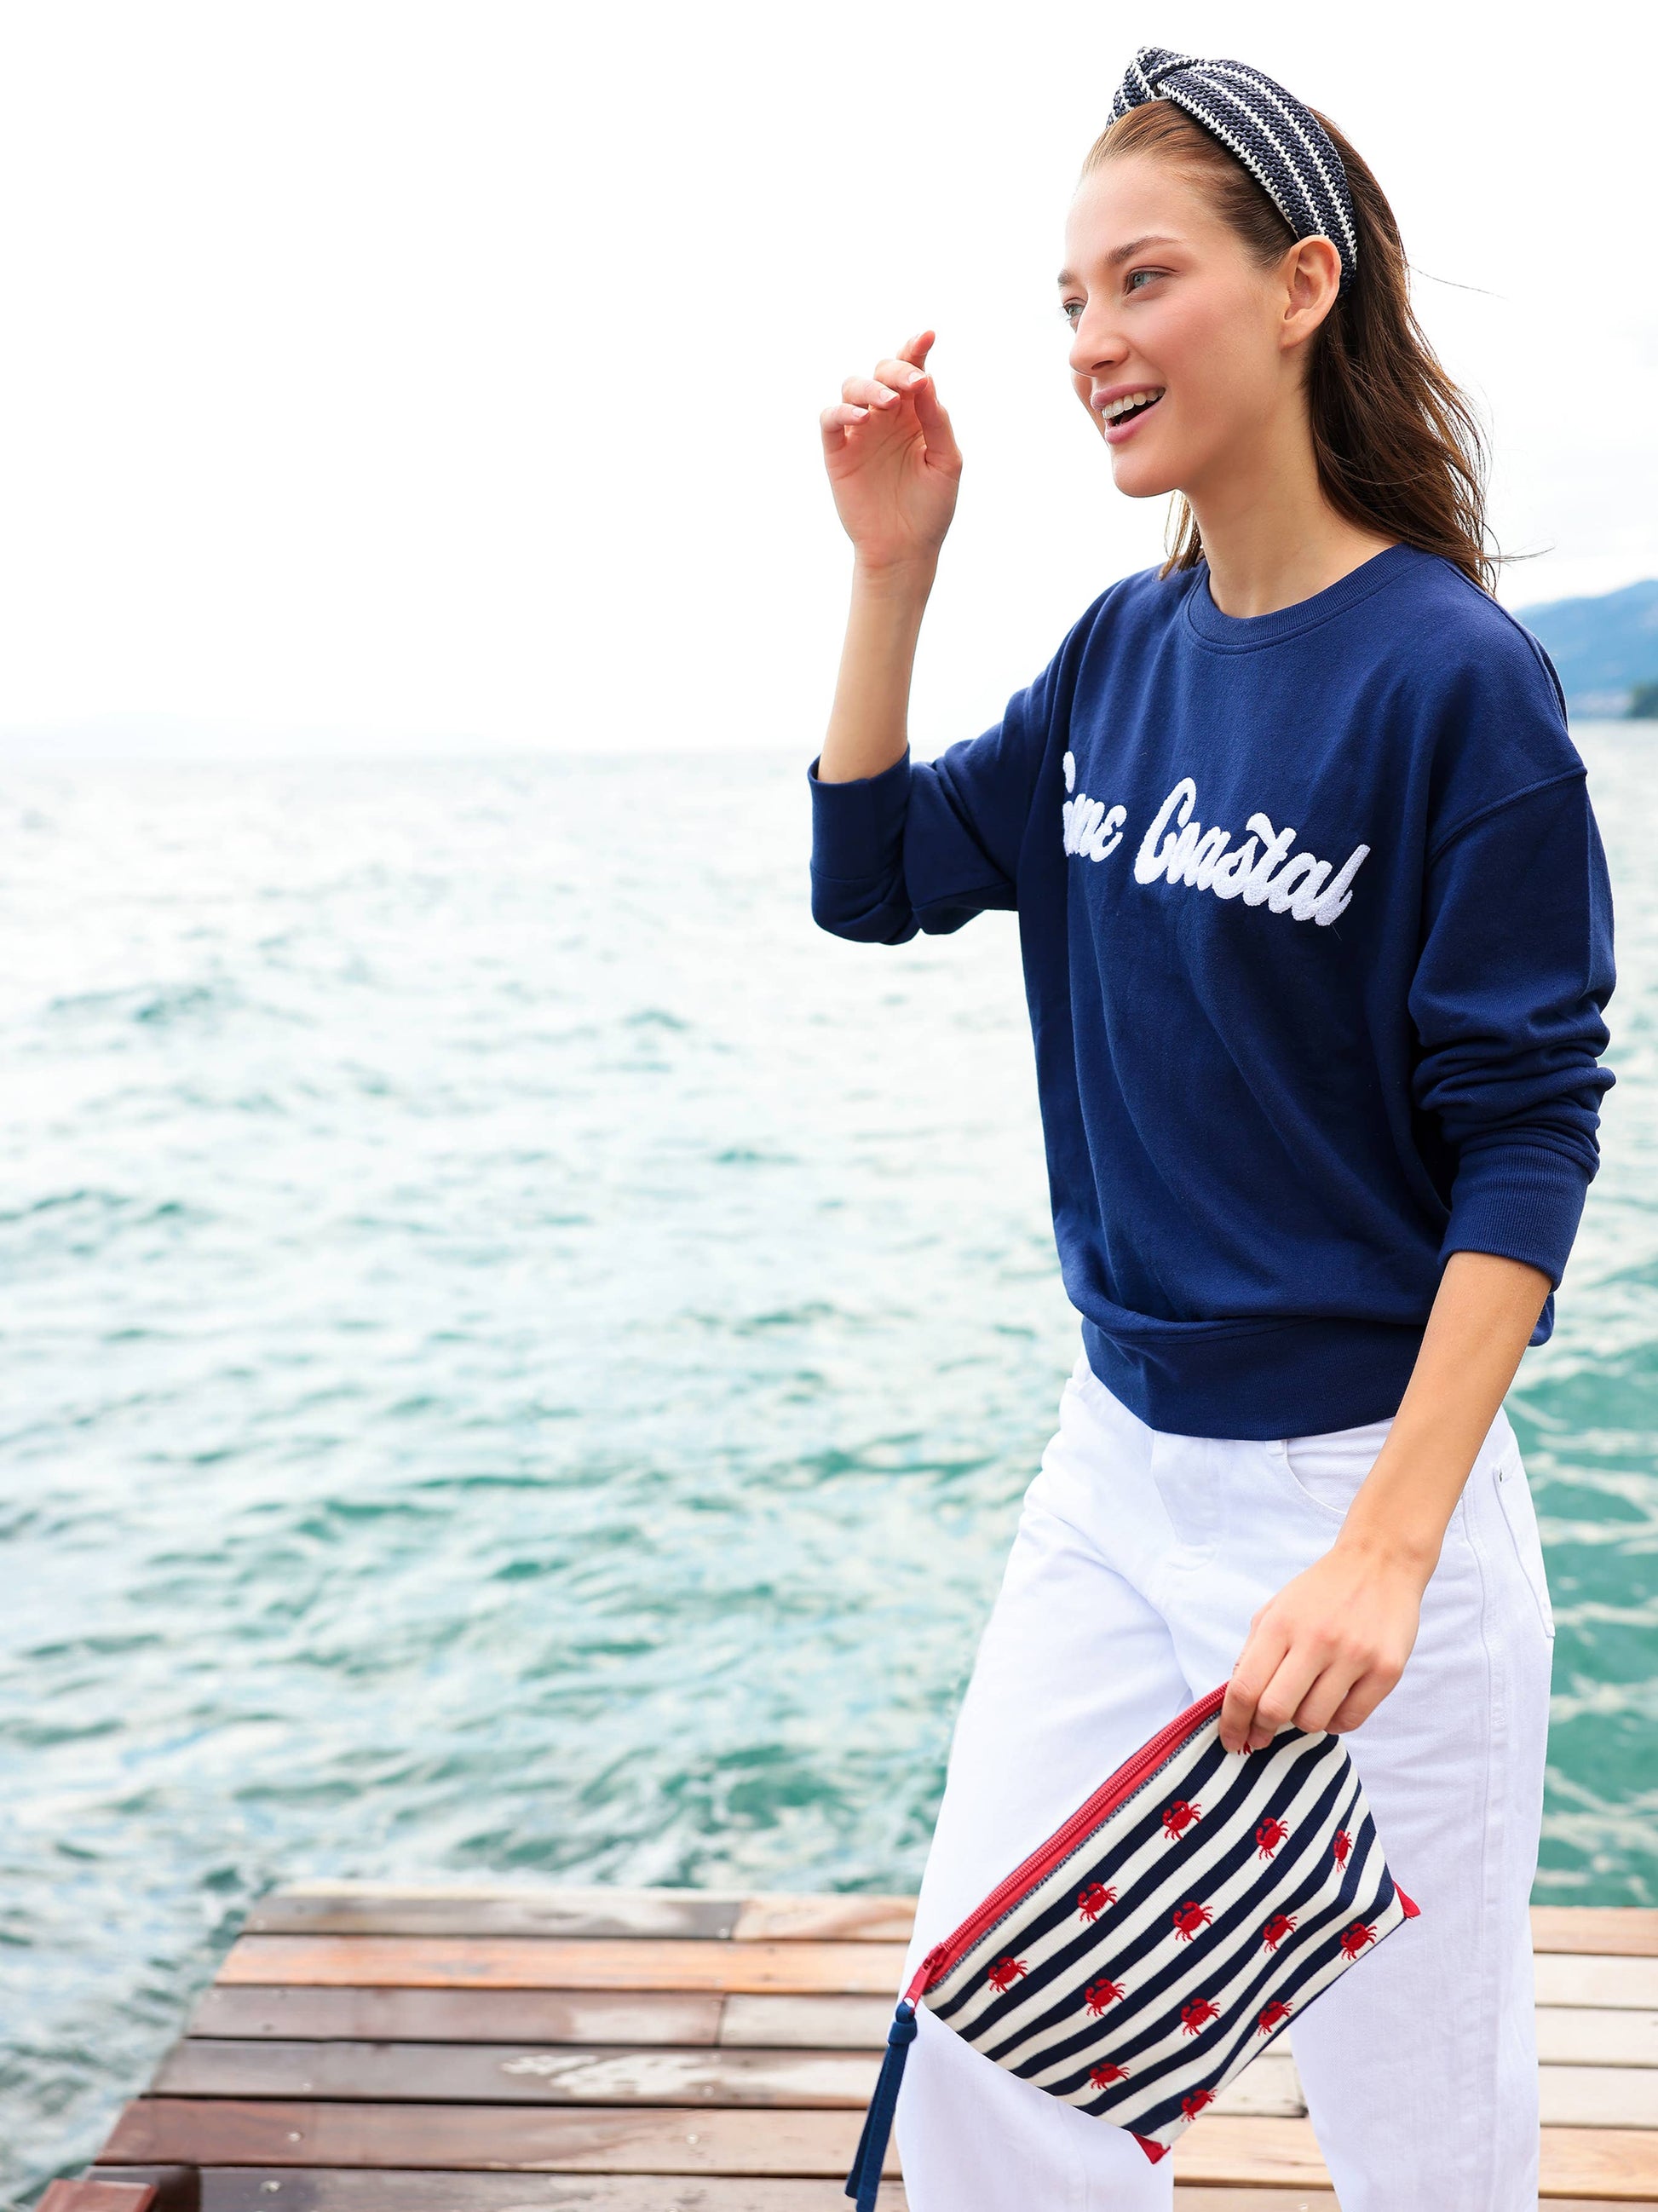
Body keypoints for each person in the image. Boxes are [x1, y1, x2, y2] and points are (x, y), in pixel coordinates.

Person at [806, 46, 1615, 2212]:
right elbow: (872, 874)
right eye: (1065, 297)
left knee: (1421, 2132)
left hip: (1369, 1520)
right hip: (1114, 1472)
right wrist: (895, 562)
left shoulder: (1454, 682)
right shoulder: (1114, 658)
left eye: (1137, 279)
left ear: (1295, 289)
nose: (1086, 343)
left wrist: (1384, 1546)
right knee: (988, 2054)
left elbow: (1528, 1140)